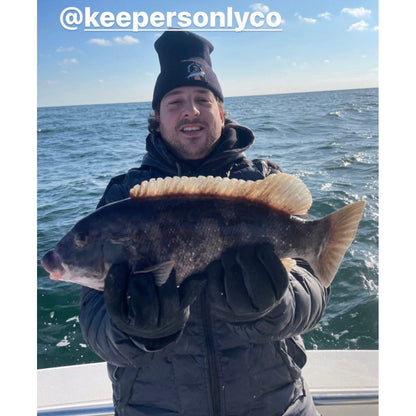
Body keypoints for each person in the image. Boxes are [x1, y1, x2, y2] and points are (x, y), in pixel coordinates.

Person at [79, 30, 328, 416]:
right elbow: (93, 322)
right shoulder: (123, 198)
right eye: (175, 101)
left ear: (222, 112)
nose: (190, 110)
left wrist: (274, 304)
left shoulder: (262, 183)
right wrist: (134, 330)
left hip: (277, 405)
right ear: (157, 118)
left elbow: (316, 293)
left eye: (202, 99)